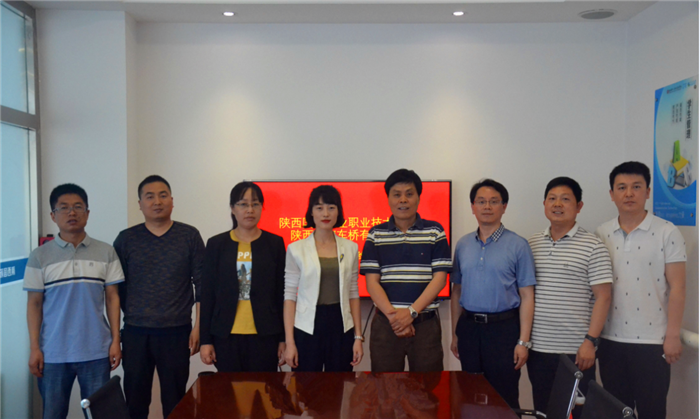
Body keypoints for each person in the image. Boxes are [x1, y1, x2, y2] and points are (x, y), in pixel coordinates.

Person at [595, 162, 686, 419]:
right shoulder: (601, 233)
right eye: (621, 187)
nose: (629, 194)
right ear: (611, 194)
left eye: (636, 187)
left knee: (652, 411)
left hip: (652, 342)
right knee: (616, 411)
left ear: (647, 192)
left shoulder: (667, 231)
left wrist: (672, 335)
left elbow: (678, 288)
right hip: (610, 340)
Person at [24, 184, 123, 419]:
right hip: (53, 353)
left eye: (78, 207)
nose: (71, 213)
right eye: (64, 208)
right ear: (53, 215)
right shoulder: (39, 256)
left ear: (87, 213)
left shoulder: (106, 252)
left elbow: (112, 298)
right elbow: (34, 304)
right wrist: (35, 347)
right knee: (53, 414)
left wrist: (115, 340)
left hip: (96, 351)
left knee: (100, 415)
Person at [113, 175, 205, 419]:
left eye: (163, 195)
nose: (157, 201)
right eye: (150, 196)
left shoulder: (189, 236)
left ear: (172, 201)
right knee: (135, 401)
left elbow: (202, 285)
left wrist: (199, 327)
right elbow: (116, 290)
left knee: (175, 402)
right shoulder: (126, 239)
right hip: (136, 332)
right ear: (140, 204)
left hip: (177, 332)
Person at [527, 177, 612, 418]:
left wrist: (590, 342)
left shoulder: (593, 246)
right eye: (552, 199)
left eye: (565, 199)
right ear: (544, 204)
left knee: (578, 413)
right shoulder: (531, 244)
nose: (558, 204)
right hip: (538, 349)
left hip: (576, 351)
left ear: (579, 206)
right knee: (544, 411)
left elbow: (604, 297)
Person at [450, 178, 535, 409]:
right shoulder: (463, 245)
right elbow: (457, 291)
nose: (487, 206)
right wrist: (455, 334)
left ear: (504, 207)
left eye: (494, 201)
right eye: (481, 201)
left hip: (503, 330)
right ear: (473, 207)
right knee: (470, 395)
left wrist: (523, 341)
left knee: (504, 397)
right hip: (469, 329)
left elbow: (527, 295)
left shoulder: (518, 245)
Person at [360, 169, 452, 372]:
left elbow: (440, 279)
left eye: (409, 194)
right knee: (385, 386)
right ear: (388, 199)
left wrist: (411, 312)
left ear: (418, 197)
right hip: (386, 325)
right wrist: (395, 318)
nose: (403, 200)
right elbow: (372, 283)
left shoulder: (435, 231)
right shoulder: (376, 234)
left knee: (428, 387)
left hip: (425, 325)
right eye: (397, 194)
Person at [200, 181, 287, 372]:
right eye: (243, 204)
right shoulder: (217, 244)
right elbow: (207, 294)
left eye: (255, 204)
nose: (250, 210)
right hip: (225, 334)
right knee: (229, 389)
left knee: (263, 389)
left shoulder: (274, 243)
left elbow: (280, 293)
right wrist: (205, 340)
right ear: (232, 208)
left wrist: (283, 338)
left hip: (265, 333)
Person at [283, 185, 364, 371]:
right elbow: (290, 296)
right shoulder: (296, 249)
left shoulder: (351, 247)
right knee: (306, 385)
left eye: (331, 207)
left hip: (341, 324)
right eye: (319, 208)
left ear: (338, 211)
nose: (325, 213)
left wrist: (358, 337)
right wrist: (290, 342)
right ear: (311, 212)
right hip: (307, 325)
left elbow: (353, 293)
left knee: (339, 384)